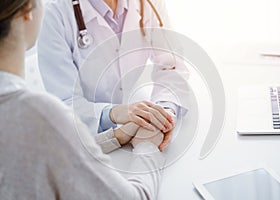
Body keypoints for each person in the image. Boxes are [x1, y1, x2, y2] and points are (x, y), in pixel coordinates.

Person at [0, 0, 165, 199]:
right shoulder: (39, 114)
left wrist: (118, 135)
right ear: (28, 11)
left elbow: (59, 151)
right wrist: (147, 146)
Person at [38, 0, 190, 152]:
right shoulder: (54, 15)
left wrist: (164, 113)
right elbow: (64, 103)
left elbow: (172, 66)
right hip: (82, 137)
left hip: (131, 124)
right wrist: (113, 114)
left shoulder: (148, 3)